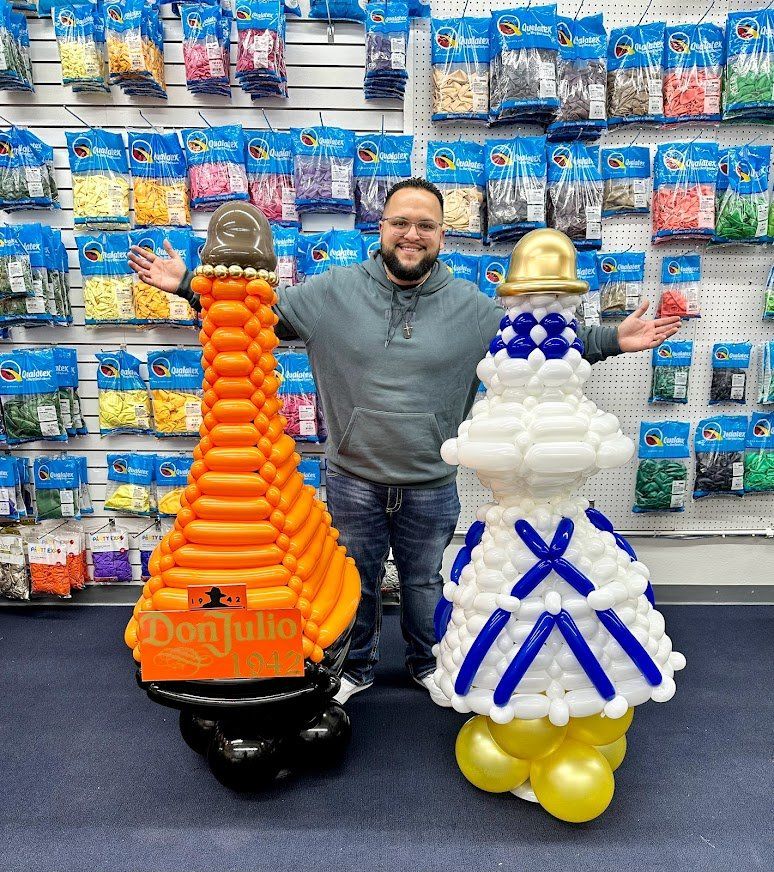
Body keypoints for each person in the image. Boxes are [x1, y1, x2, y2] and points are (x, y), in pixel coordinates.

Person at [129, 178, 681, 706]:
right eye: (400, 222)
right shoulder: (330, 293)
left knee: (423, 582)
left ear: (441, 234)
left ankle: (428, 663)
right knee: (359, 582)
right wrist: (189, 287)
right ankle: (355, 668)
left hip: (430, 482)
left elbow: (535, 340)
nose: (411, 235)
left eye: (425, 225)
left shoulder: (473, 307)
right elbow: (256, 317)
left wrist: (612, 338)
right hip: (354, 477)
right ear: (381, 227)